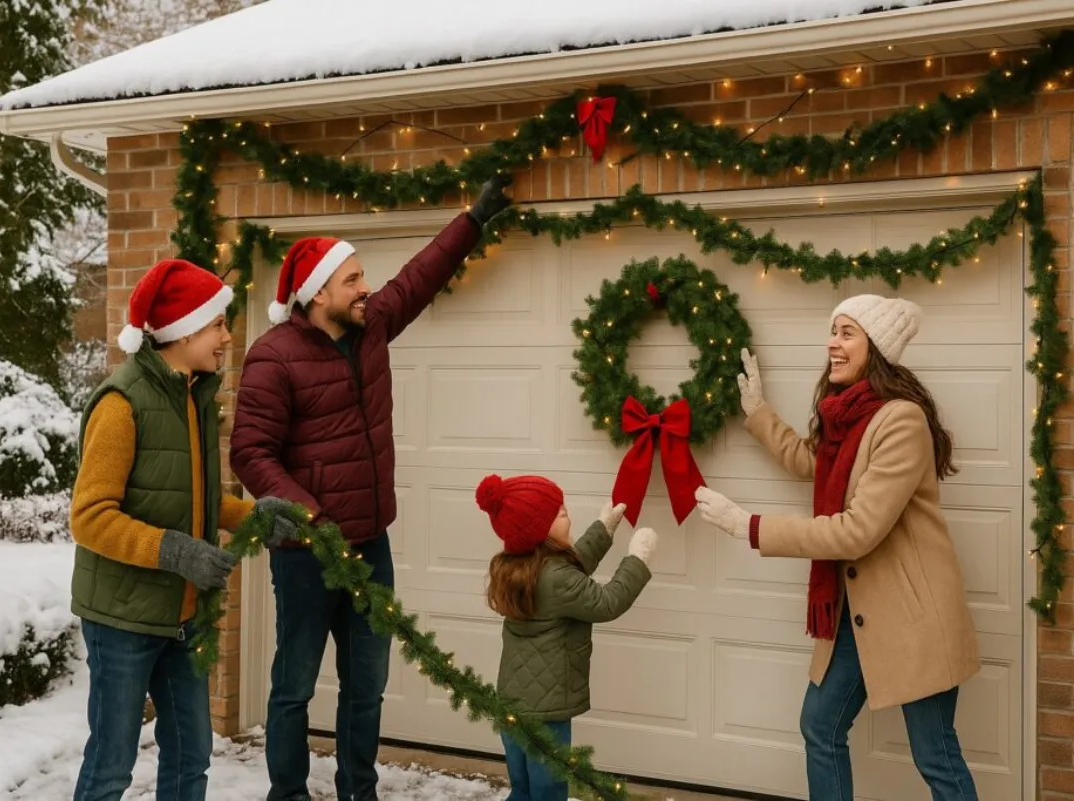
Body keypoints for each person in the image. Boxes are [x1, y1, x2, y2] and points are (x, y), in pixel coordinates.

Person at [229, 176, 514, 801]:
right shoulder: (273, 358)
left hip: (371, 546)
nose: (367, 288)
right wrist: (309, 516)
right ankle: (290, 794)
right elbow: (250, 453)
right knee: (294, 688)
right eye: (352, 279)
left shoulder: (371, 325)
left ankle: (360, 790)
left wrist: (473, 220)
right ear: (317, 292)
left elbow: (419, 278)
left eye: (363, 278)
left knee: (366, 686)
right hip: (306, 558)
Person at [694, 295, 980, 801]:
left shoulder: (900, 421)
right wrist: (758, 413)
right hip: (857, 611)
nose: (833, 342)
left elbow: (856, 530)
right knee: (819, 728)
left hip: (914, 616)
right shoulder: (845, 421)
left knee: (935, 754)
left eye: (847, 332)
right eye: (833, 330)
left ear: (877, 348)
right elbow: (814, 463)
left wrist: (749, 526)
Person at [70, 259, 297, 801]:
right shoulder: (122, 404)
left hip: (184, 616)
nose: (227, 335)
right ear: (184, 329)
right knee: (111, 767)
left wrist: (254, 518)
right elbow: (90, 516)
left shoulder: (192, 398)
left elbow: (191, 496)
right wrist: (173, 551)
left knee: (191, 759)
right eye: (218, 324)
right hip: (123, 619)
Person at [475, 474, 656, 801]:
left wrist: (604, 529)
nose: (567, 514)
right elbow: (607, 602)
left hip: (511, 705)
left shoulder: (518, 567)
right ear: (537, 531)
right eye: (559, 512)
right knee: (549, 790)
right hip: (547, 711)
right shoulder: (557, 577)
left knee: (523, 789)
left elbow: (573, 563)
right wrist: (637, 560)